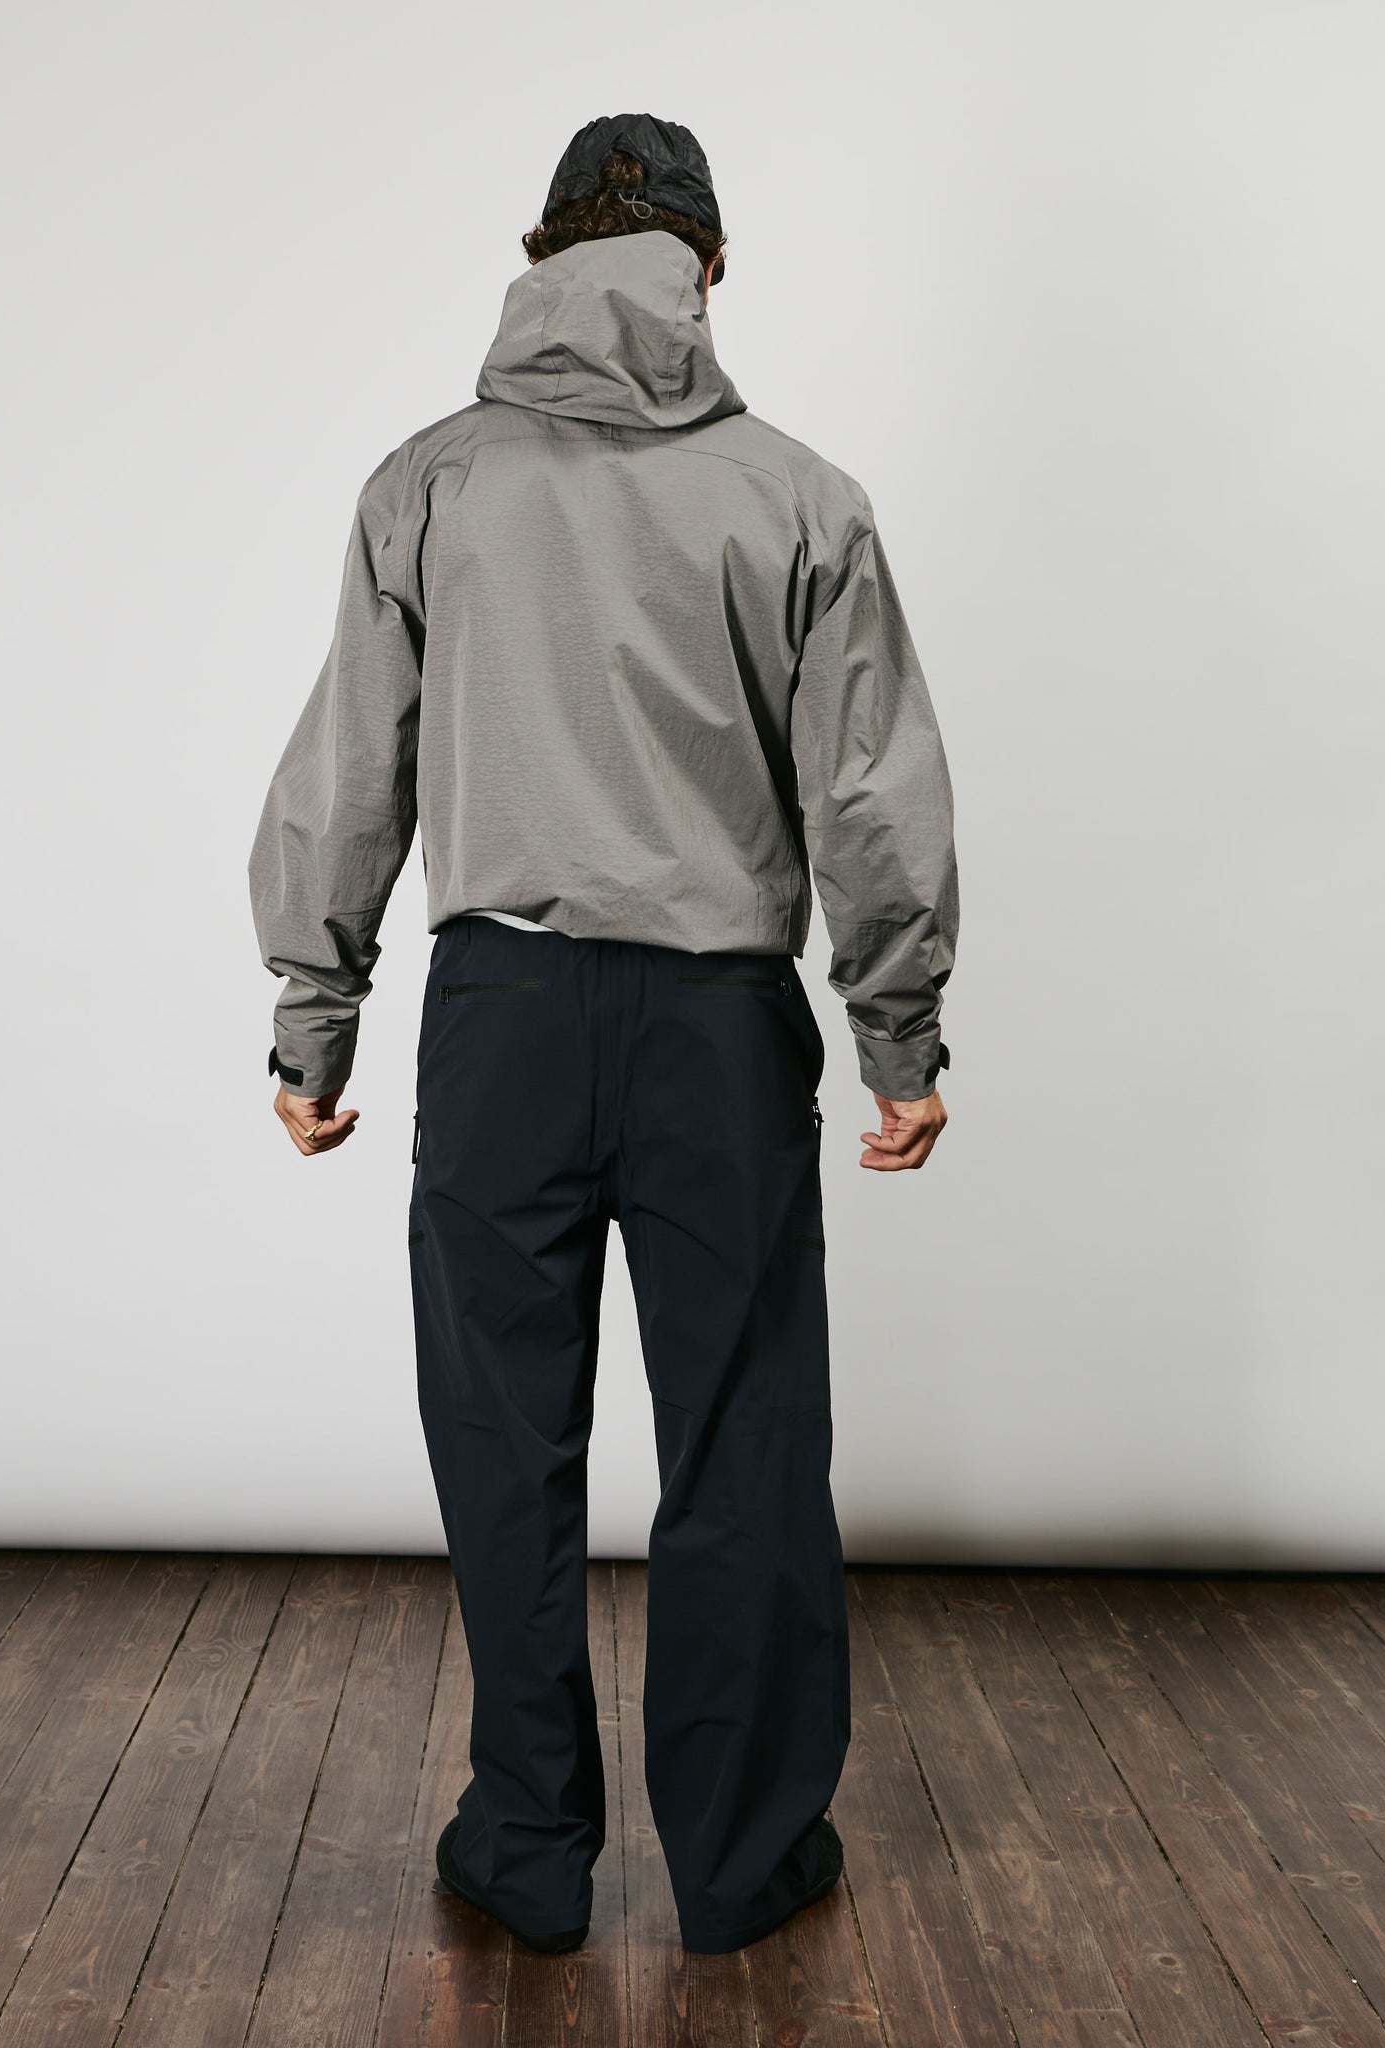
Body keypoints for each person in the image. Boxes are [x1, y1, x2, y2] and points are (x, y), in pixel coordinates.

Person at [248, 112, 959, 1957]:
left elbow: (351, 767)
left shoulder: (430, 483)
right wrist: (897, 1035)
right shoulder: (798, 497)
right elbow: (869, 795)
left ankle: (524, 1845)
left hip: (501, 1018)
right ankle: (740, 1863)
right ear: (706, 269)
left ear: (540, 256)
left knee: (504, 1444)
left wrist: (316, 1013)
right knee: (744, 1440)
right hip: (720, 1028)